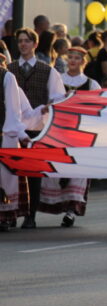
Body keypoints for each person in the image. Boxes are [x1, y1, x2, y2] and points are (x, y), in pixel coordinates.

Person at [7, 28, 66, 229]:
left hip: (37, 129)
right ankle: (11, 212)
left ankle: (30, 215)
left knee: (33, 173)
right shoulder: (8, 70)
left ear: (35, 44)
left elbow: (58, 98)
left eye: (27, 41)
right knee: (11, 173)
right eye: (20, 41)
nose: (23, 44)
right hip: (12, 129)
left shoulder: (48, 71)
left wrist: (48, 110)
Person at [38, 47, 98, 227]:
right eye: (70, 57)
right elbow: (49, 101)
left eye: (77, 58)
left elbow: (96, 107)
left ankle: (71, 209)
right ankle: (50, 204)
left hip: (79, 133)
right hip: (58, 131)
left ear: (83, 61)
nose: (72, 61)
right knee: (54, 168)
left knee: (77, 171)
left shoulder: (90, 84)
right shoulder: (57, 80)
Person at [0, 61, 40, 231]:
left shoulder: (7, 77)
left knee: (4, 179)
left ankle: (4, 217)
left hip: (4, 134)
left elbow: (13, 112)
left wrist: (21, 135)